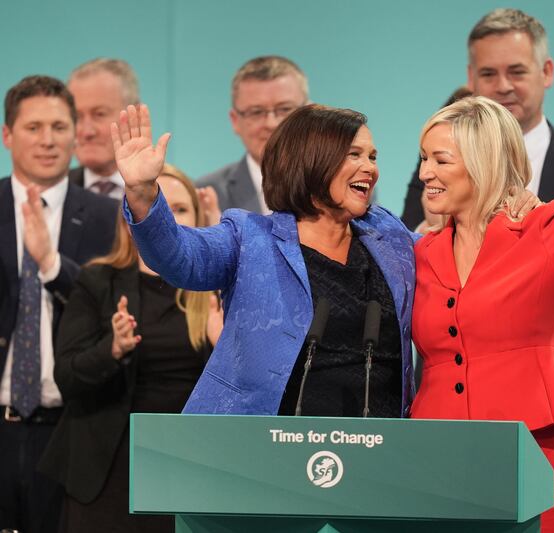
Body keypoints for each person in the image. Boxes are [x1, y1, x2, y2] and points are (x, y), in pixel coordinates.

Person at [402, 11, 554, 530]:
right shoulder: (422, 251)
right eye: (424, 159)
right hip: (439, 450)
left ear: (482, 160)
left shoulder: (546, 227)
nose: (425, 172)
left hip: (536, 444)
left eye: (440, 161)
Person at [112, 102, 417, 417]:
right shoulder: (251, 238)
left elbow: (449, 258)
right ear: (311, 158)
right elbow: (181, 257)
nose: (370, 168)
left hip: (378, 445)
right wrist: (142, 192)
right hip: (266, 448)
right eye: (354, 154)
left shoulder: (389, 236)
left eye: (372, 156)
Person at [38, 164, 220, 533]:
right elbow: (67, 376)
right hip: (108, 469)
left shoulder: (216, 287)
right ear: (130, 218)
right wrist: (113, 348)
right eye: (157, 205)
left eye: (180, 209)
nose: (167, 218)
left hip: (191, 467)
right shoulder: (98, 281)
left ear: (198, 218)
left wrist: (223, 344)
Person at [0, 75, 117, 533]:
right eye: (33, 128)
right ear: (7, 135)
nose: (48, 140)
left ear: (75, 133)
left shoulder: (110, 217)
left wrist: (52, 265)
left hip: (73, 429)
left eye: (59, 126)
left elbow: (111, 309)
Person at [196, 55, 309, 214]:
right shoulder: (205, 194)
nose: (271, 124)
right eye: (256, 112)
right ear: (235, 121)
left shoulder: (337, 186)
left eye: (284, 109)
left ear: (310, 114)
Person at [67, 58, 140, 200]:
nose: (87, 132)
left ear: (134, 115)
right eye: (77, 116)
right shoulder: (51, 195)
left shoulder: (173, 196)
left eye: (99, 114)